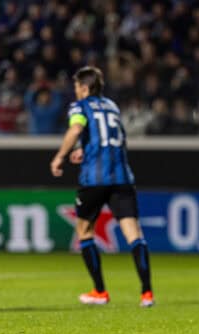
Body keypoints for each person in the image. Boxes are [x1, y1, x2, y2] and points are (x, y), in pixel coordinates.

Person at [50, 66, 154, 307]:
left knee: (84, 231)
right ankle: (147, 293)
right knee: (134, 235)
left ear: (84, 88)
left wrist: (60, 156)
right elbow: (111, 138)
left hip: (94, 179)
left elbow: (76, 129)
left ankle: (100, 292)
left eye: (77, 87)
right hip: (122, 177)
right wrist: (84, 150)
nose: (76, 92)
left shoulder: (80, 107)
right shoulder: (112, 106)